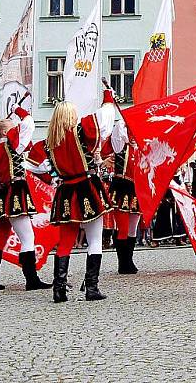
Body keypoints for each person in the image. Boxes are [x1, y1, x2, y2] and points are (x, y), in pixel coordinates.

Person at [26, 89, 115, 302]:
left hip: (65, 190)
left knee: (65, 241)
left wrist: (51, 176)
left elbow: (33, 167)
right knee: (94, 239)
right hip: (87, 187)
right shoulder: (82, 131)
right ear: (71, 116)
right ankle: (91, 288)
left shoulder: (48, 143)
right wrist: (108, 97)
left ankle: (59, 289)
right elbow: (106, 118)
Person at [0, 106, 51, 292]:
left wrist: (1, 180)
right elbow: (29, 124)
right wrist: (20, 110)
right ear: (4, 131)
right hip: (16, 191)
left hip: (3, 193)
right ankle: (31, 279)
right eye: (11, 126)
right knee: (28, 238)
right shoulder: (12, 145)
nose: (15, 127)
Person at [105, 120, 142, 275]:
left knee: (133, 227)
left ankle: (129, 260)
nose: (133, 137)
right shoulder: (120, 145)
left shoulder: (140, 150)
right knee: (123, 227)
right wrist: (128, 118)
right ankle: (123, 263)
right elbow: (119, 129)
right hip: (121, 188)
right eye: (131, 133)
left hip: (136, 189)